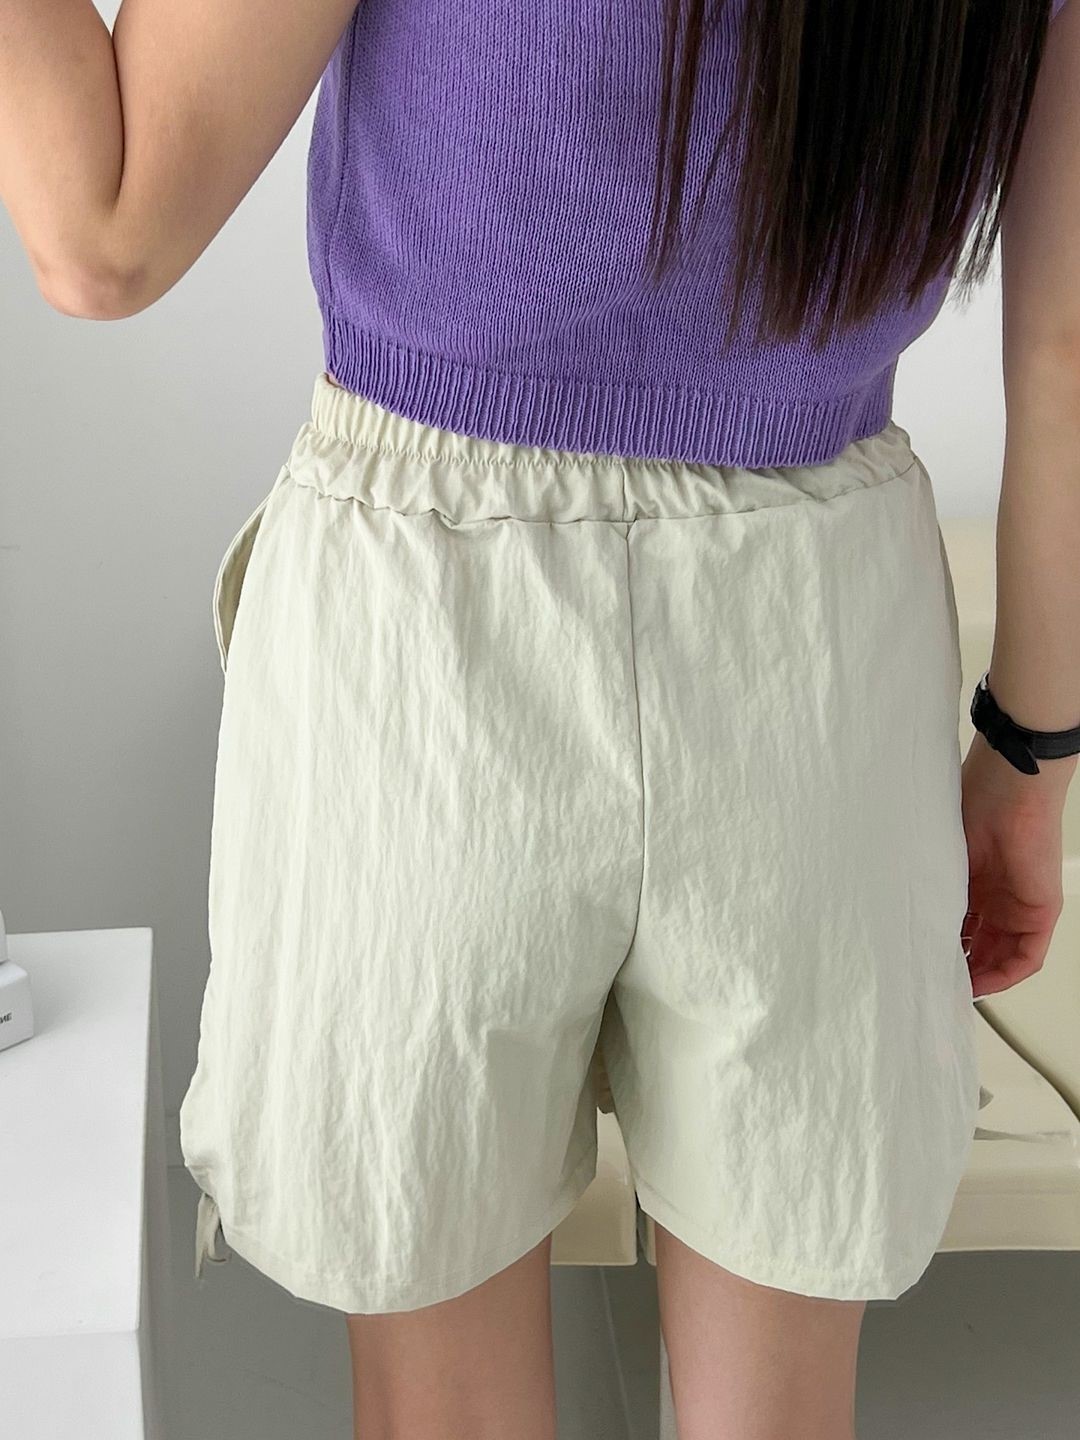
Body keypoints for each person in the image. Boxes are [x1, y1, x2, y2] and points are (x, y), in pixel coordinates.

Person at [4, 2, 1079, 1437]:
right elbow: (1067, 351)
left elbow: (103, 228)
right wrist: (1028, 760)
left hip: (429, 626)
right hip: (819, 637)